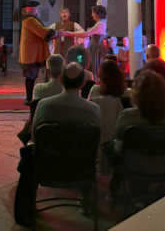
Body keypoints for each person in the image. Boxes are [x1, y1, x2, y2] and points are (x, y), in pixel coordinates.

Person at [15, 63, 101, 226]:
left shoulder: (44, 105)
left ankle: (26, 211)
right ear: (83, 83)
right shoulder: (93, 109)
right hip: (81, 168)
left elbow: (34, 137)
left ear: (60, 80)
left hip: (47, 167)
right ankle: (86, 200)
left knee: (27, 157)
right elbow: (95, 145)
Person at [105, 71, 165, 198]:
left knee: (111, 146)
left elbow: (118, 136)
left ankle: (113, 191)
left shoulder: (127, 116)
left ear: (136, 93)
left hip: (134, 164)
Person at [19, 1, 60, 105]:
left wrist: (55, 33)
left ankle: (33, 97)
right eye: (36, 8)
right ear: (32, 9)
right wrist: (57, 33)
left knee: (33, 75)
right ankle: (28, 99)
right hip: (31, 53)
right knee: (30, 75)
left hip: (33, 51)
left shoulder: (29, 19)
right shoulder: (30, 20)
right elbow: (42, 31)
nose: (38, 10)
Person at [65, 5, 108, 82]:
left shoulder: (100, 24)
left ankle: (93, 84)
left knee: (94, 67)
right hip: (96, 47)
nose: (91, 15)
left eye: (93, 13)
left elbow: (86, 34)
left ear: (97, 14)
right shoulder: (101, 23)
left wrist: (72, 34)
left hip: (96, 48)